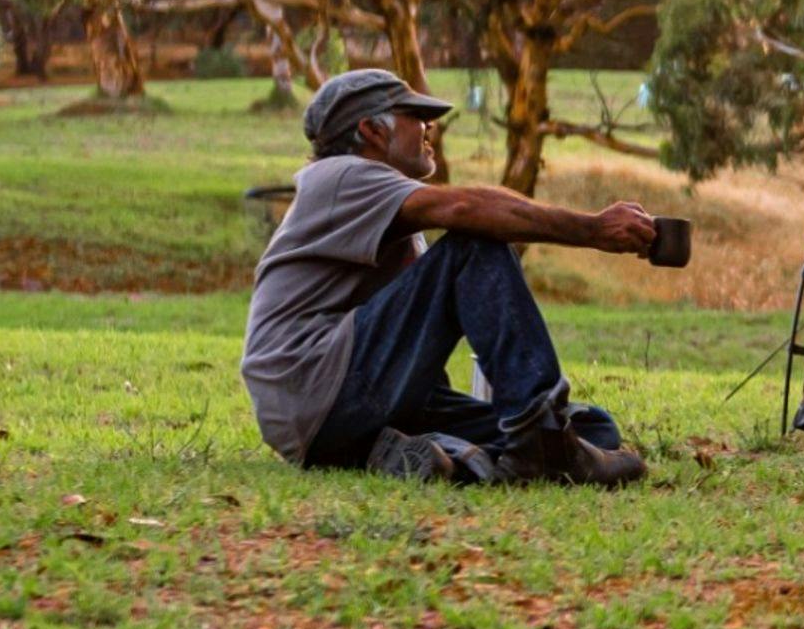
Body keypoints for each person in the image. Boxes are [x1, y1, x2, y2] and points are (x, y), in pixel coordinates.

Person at [239, 67, 656, 486]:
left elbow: (406, 328)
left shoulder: (379, 199)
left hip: (336, 411)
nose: (429, 127)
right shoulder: (341, 175)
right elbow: (463, 210)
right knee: (473, 243)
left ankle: (433, 458)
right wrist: (592, 229)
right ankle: (541, 441)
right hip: (317, 386)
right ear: (371, 130)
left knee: (593, 429)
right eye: (415, 115)